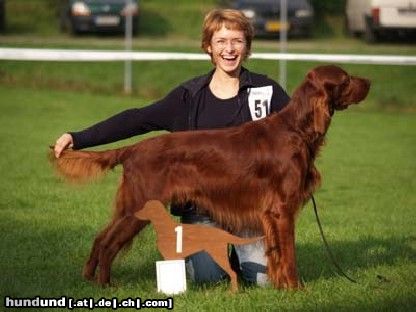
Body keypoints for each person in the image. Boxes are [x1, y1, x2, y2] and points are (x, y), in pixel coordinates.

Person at [54, 9, 290, 286]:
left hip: (249, 211)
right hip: (202, 212)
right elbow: (138, 119)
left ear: (247, 46)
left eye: (237, 41)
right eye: (221, 41)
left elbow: (297, 128)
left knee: (263, 282)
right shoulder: (189, 96)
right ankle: (104, 263)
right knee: (208, 280)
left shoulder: (265, 90)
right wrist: (78, 137)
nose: (229, 49)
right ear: (208, 47)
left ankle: (241, 255)